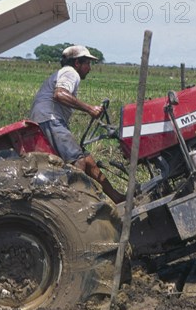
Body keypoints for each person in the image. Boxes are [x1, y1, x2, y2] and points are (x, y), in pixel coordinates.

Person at [30, 45, 125, 204]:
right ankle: (73, 204)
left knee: (88, 161)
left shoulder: (66, 73)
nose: (90, 68)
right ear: (77, 64)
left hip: (49, 118)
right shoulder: (70, 73)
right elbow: (60, 94)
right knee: (78, 161)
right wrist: (89, 109)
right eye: (87, 63)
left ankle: (116, 197)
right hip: (50, 119)